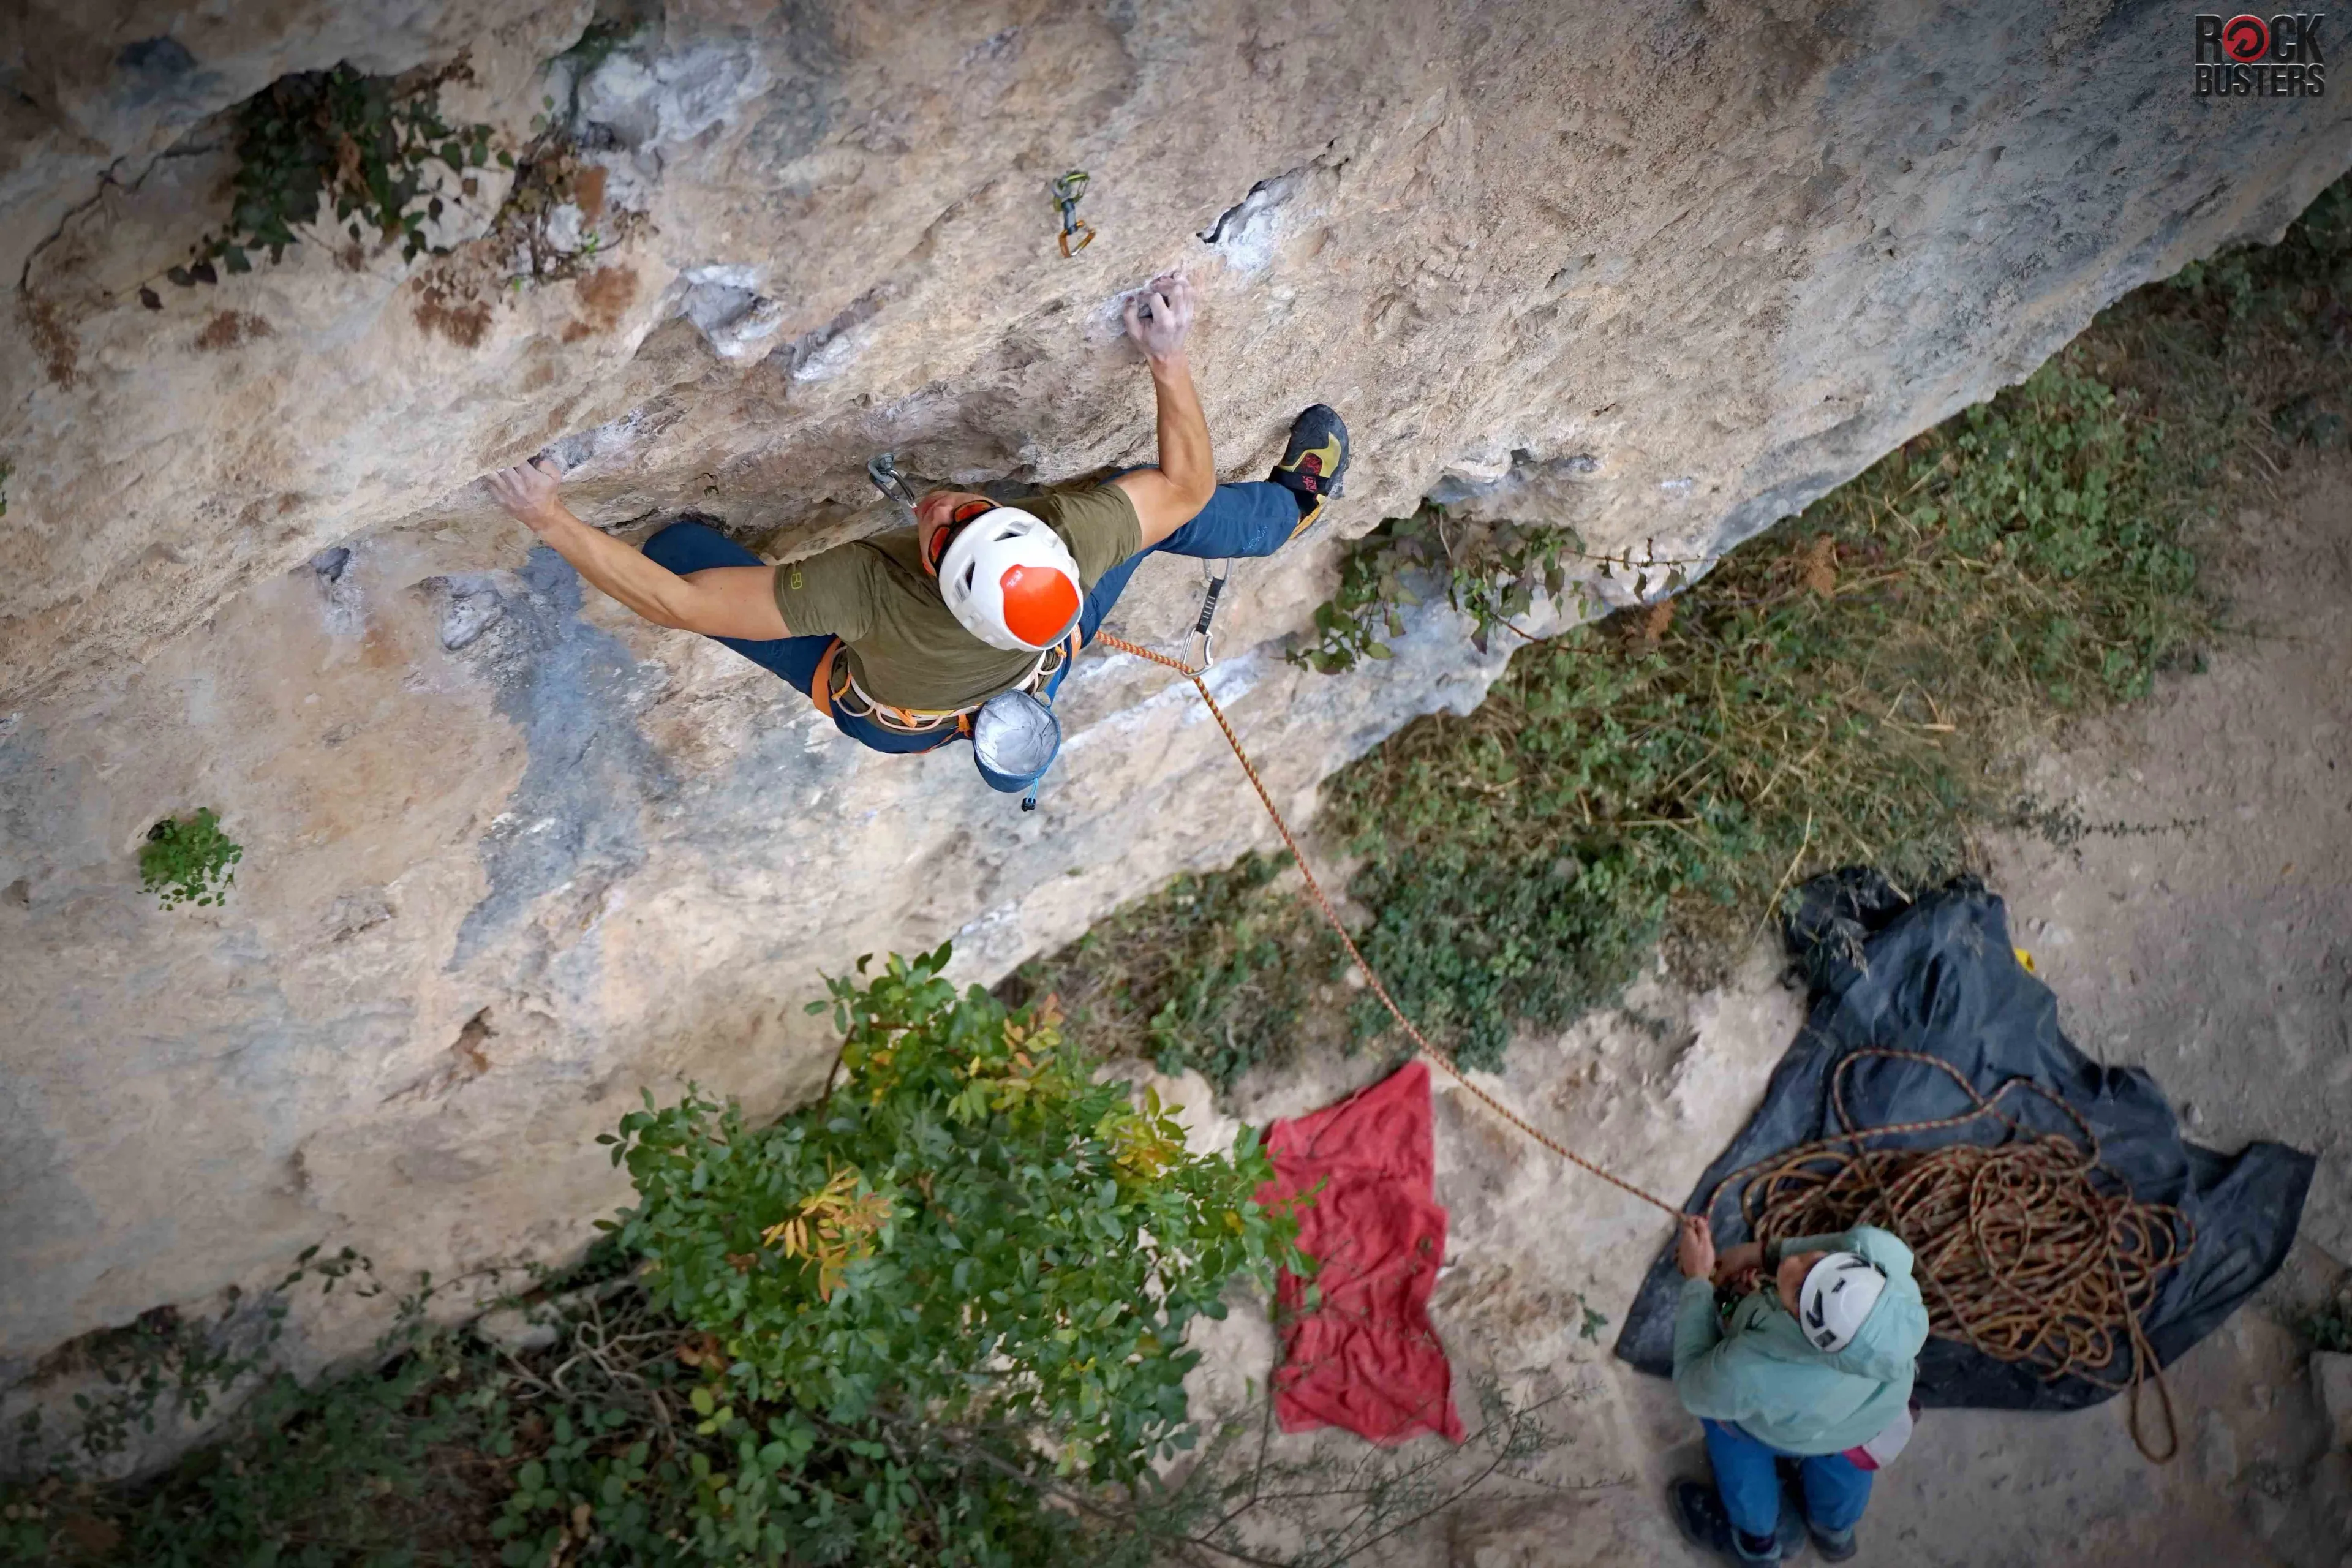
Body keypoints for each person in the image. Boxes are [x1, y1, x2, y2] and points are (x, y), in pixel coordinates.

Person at [480, 272, 1347, 763]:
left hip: (889, 714)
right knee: (1155, 503)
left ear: (923, 571)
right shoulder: (1075, 542)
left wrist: (552, 521)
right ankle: (1280, 515)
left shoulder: (862, 587)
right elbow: (1186, 490)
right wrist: (1169, 358)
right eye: (963, 514)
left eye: (943, 529)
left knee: (677, 557)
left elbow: (680, 604)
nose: (939, 507)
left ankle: (1286, 513)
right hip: (1023, 663)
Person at [1667, 1213, 1931, 1564]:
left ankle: (1758, 1545)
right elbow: (1839, 1248)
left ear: (1797, 1318)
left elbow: (1692, 1387)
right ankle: (1835, 1533)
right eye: (1820, 1263)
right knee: (1846, 1459)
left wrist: (1697, 1281)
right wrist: (1760, 1254)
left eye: (1798, 1289)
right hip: (1870, 1417)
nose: (1795, 1263)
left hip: (1788, 1427)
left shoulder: (1750, 1370)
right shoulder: (1882, 1257)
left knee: (1730, 1431)